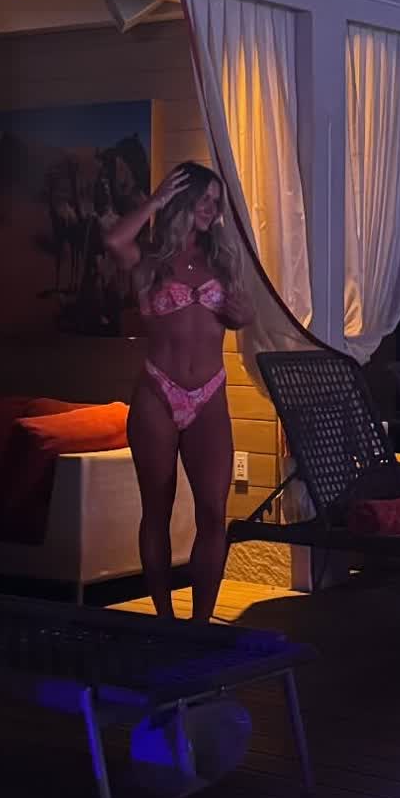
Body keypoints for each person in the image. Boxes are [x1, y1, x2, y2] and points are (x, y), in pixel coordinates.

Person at [106, 162, 254, 622]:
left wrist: (243, 315)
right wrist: (154, 200)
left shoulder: (222, 261)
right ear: (181, 200)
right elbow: (114, 240)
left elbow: (242, 315)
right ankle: (165, 620)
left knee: (213, 510)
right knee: (157, 509)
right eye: (203, 199)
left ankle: (201, 624)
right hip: (158, 391)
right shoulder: (149, 261)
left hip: (209, 393)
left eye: (215, 202)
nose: (211, 209)